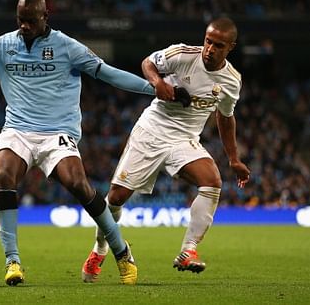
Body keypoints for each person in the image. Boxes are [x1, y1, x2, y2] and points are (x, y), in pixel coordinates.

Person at [0, 0, 189, 286]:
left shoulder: (67, 47)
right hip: (18, 130)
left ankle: (121, 251)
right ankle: (13, 262)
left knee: (78, 184)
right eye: (20, 20)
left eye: (31, 20)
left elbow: (108, 74)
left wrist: (156, 89)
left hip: (57, 133)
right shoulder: (0, 47)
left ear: (45, 17)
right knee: (4, 175)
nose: (25, 26)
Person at [81, 17, 251, 282]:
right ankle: (100, 249)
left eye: (218, 45)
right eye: (208, 41)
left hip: (184, 140)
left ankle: (188, 250)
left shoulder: (231, 81)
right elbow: (148, 63)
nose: (210, 49)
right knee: (116, 197)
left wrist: (233, 158)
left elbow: (225, 116)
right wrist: (158, 83)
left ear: (231, 47)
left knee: (212, 181)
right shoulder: (182, 54)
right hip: (152, 131)